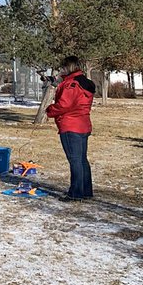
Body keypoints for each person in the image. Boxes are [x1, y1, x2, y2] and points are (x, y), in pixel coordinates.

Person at [46, 57, 96, 199]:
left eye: (63, 67)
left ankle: (76, 193)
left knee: (75, 161)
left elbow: (64, 105)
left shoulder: (71, 84)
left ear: (68, 67)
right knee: (81, 160)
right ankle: (86, 191)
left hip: (71, 125)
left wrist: (50, 110)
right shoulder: (84, 82)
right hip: (83, 124)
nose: (61, 70)